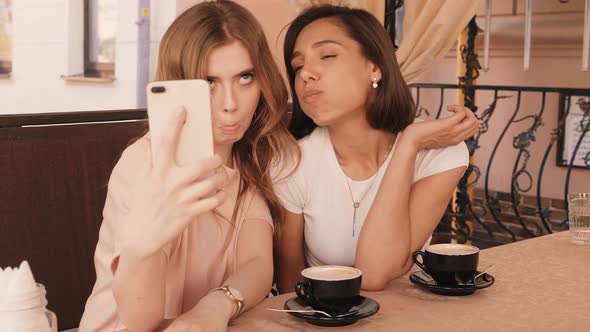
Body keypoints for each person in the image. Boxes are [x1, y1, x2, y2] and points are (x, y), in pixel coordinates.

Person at [79, 2, 298, 331]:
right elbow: (141, 321)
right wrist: (141, 246)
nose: (230, 104)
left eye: (245, 77)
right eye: (209, 82)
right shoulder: (145, 163)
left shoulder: (250, 155)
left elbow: (256, 262)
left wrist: (216, 305)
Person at [273, 4, 480, 293]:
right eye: (297, 66)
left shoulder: (440, 154)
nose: (305, 73)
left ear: (375, 67)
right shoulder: (291, 163)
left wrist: (408, 145)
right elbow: (289, 287)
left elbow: (374, 272)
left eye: (328, 55)